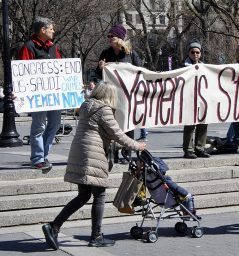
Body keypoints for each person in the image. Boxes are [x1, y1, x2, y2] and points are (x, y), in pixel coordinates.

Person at [41, 82, 146, 250]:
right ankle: (96, 236)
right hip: (93, 155)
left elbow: (99, 133)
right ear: (109, 95)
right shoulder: (103, 109)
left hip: (80, 151)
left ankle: (54, 227)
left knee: (83, 195)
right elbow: (117, 134)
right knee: (99, 194)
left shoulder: (86, 105)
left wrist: (119, 145)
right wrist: (136, 145)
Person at [96, 23, 146, 162]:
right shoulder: (106, 53)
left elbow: (141, 71)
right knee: (112, 124)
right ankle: (112, 153)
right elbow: (98, 75)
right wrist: (101, 68)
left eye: (112, 36)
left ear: (120, 38)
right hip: (110, 96)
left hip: (127, 96)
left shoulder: (130, 53)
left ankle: (126, 152)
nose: (109, 38)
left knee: (127, 123)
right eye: (108, 36)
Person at [18, 17, 62, 172]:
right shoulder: (28, 47)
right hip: (37, 96)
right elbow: (22, 72)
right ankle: (37, 159)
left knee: (55, 124)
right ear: (43, 30)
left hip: (54, 94)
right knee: (39, 126)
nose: (53, 31)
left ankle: (43, 155)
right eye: (51, 29)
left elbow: (61, 68)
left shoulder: (53, 48)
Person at [182, 41, 210, 159]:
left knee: (203, 123)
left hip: (202, 99)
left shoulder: (205, 67)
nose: (195, 54)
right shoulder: (183, 67)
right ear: (188, 53)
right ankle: (188, 149)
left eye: (197, 52)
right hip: (189, 99)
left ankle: (200, 148)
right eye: (192, 52)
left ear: (201, 54)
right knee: (190, 125)